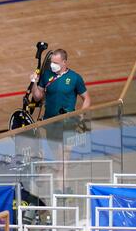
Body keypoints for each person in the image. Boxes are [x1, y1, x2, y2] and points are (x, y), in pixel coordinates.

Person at [30, 48, 91, 193]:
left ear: (64, 62)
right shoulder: (46, 76)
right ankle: (65, 187)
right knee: (58, 156)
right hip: (50, 123)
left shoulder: (75, 78)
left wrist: (80, 116)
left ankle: (60, 188)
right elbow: (38, 96)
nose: (52, 65)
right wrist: (34, 82)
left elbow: (87, 99)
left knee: (64, 156)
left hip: (67, 123)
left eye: (56, 62)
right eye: (51, 62)